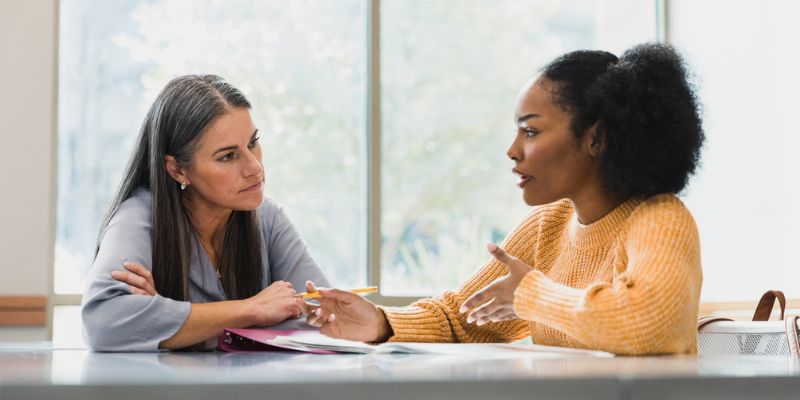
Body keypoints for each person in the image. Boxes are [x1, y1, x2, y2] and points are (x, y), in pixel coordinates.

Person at [304, 43, 705, 355]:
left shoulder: (660, 218)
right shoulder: (547, 226)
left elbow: (648, 325)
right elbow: (463, 319)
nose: (512, 150)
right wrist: (380, 323)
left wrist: (530, 294)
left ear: (595, 138)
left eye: (530, 132)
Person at [82, 75, 329, 351]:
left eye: (252, 143)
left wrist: (167, 321)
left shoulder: (267, 218)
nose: (254, 167)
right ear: (177, 169)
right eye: (227, 156)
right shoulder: (139, 216)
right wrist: (252, 310)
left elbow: (324, 319)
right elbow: (103, 323)